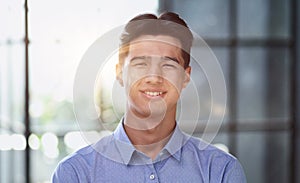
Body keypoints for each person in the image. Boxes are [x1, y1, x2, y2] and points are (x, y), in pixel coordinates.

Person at [52, 12, 246, 182]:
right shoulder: (75, 173)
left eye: (168, 65)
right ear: (120, 73)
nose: (154, 77)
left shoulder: (221, 171)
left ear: (185, 77)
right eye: (140, 64)